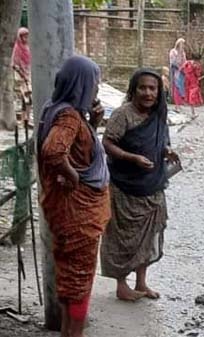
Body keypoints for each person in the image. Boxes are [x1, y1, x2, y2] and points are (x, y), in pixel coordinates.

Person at [37, 55, 110, 337]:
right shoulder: (68, 116)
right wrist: (74, 176)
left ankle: (70, 331)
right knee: (79, 281)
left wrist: (93, 121)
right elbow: (54, 151)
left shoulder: (54, 108)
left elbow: (76, 148)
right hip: (77, 215)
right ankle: (74, 333)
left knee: (70, 279)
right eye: (94, 83)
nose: (97, 89)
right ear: (80, 84)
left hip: (69, 213)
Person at [101, 69, 180, 302]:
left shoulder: (158, 115)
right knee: (123, 237)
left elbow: (161, 142)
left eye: (152, 88)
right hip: (125, 188)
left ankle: (141, 282)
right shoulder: (123, 115)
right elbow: (107, 143)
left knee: (149, 235)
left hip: (152, 187)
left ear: (159, 92)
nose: (147, 93)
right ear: (133, 90)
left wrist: (167, 151)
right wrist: (130, 157)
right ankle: (122, 284)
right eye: (142, 88)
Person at [11, 27, 32, 126]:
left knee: (29, 100)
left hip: (28, 75)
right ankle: (24, 120)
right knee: (26, 99)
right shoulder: (17, 49)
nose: (26, 38)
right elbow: (15, 64)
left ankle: (27, 118)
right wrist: (22, 74)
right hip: (21, 77)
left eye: (27, 36)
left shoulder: (27, 47)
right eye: (24, 36)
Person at [169, 38, 187, 111]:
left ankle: (180, 103)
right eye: (182, 44)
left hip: (181, 71)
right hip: (175, 71)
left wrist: (184, 68)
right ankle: (177, 105)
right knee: (176, 87)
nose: (183, 46)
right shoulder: (173, 51)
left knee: (181, 87)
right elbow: (172, 62)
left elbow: (185, 62)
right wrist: (179, 67)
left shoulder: (183, 53)